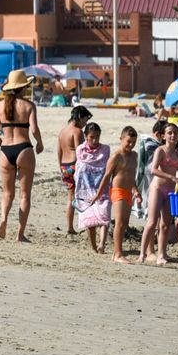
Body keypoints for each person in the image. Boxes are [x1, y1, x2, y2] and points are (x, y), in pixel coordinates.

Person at [0, 70, 43, 243]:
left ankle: (4, 218)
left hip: (6, 151)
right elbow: (34, 130)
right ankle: (20, 234)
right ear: (23, 88)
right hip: (24, 149)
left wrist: (2, 144)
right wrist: (40, 143)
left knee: (7, 194)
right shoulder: (29, 106)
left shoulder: (0, 106)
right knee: (25, 195)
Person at [93, 126, 141, 264]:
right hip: (117, 190)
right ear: (121, 139)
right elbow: (107, 176)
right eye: (128, 142)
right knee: (119, 223)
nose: (131, 145)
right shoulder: (116, 156)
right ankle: (118, 254)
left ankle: (116, 253)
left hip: (128, 192)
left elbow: (131, 176)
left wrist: (136, 191)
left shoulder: (134, 156)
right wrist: (98, 194)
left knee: (125, 223)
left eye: (133, 142)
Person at [142, 123, 178, 265]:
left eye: (175, 133)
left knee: (166, 224)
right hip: (157, 188)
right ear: (164, 136)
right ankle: (142, 254)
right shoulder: (160, 150)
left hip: (171, 191)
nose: (173, 135)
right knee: (152, 222)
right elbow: (153, 170)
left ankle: (161, 255)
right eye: (170, 133)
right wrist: (171, 177)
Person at [73, 122, 112, 254]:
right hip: (85, 191)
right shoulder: (80, 150)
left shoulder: (105, 150)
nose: (95, 140)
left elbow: (106, 169)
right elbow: (80, 169)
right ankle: (93, 247)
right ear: (85, 136)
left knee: (104, 216)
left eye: (97, 137)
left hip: (102, 189)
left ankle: (102, 244)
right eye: (91, 137)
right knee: (90, 221)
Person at [57, 105, 94, 235]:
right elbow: (80, 152)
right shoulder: (77, 132)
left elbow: (59, 152)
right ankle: (86, 225)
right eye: (85, 120)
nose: (86, 123)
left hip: (65, 166)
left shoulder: (62, 131)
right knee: (83, 197)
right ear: (79, 118)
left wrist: (61, 168)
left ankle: (70, 227)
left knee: (70, 197)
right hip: (75, 165)